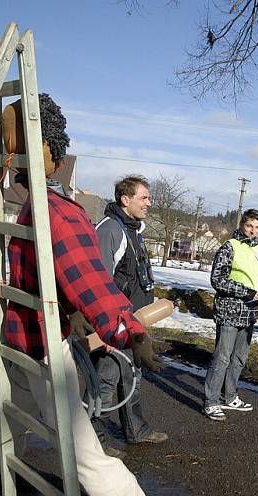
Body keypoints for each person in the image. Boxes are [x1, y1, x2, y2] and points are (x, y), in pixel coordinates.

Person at [0, 94, 162, 496]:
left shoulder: (28, 205)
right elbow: (91, 281)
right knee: (75, 431)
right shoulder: (59, 212)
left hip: (16, 333)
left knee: (23, 410)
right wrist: (131, 331)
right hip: (42, 339)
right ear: (50, 150)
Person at [83, 174, 168, 452]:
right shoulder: (111, 230)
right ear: (125, 199)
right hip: (115, 323)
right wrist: (107, 327)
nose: (149, 203)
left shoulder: (134, 230)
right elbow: (100, 282)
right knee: (106, 380)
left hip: (134, 321)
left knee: (132, 375)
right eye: (143, 197)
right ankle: (89, 440)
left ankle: (136, 429)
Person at [203, 208, 258, 421]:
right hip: (229, 311)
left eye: (257, 227)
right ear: (242, 225)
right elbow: (218, 279)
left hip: (250, 312)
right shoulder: (229, 247)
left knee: (239, 359)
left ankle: (229, 396)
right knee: (222, 357)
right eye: (249, 226)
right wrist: (247, 292)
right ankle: (211, 401)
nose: (253, 231)